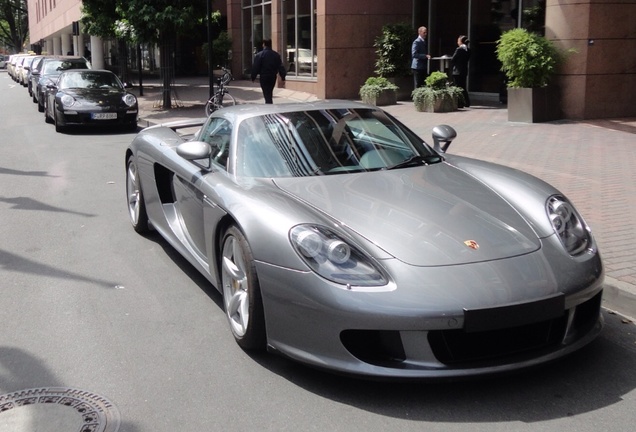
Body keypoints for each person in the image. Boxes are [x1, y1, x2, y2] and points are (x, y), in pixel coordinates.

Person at [250, 39, 286, 104]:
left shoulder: (260, 55)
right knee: (269, 91)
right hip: (272, 76)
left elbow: (256, 66)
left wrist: (253, 76)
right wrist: (283, 77)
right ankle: (269, 102)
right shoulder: (276, 55)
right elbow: (280, 66)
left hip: (264, 76)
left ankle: (268, 104)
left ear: (264, 44)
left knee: (266, 92)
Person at [451, 35, 471, 108]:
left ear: (461, 41)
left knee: (458, 87)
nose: (457, 42)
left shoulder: (459, 49)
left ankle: (460, 103)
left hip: (457, 71)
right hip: (464, 70)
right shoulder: (468, 50)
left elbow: (453, 59)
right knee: (463, 87)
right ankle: (467, 102)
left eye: (458, 40)